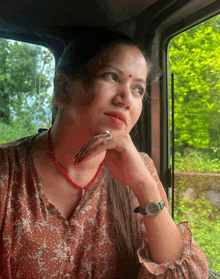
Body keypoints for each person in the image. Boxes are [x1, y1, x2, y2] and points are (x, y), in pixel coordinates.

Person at [0, 28, 209, 278]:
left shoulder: (139, 169)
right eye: (111, 77)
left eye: (138, 89)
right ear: (63, 89)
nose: (126, 99)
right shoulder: (8, 171)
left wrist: (143, 185)